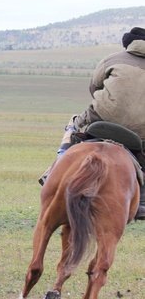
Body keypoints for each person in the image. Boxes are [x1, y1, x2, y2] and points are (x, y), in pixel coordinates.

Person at [40, 26, 145, 219]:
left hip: (103, 117)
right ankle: (142, 198)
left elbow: (94, 86)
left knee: (73, 126)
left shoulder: (112, 59)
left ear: (128, 43)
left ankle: (54, 172)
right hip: (139, 129)